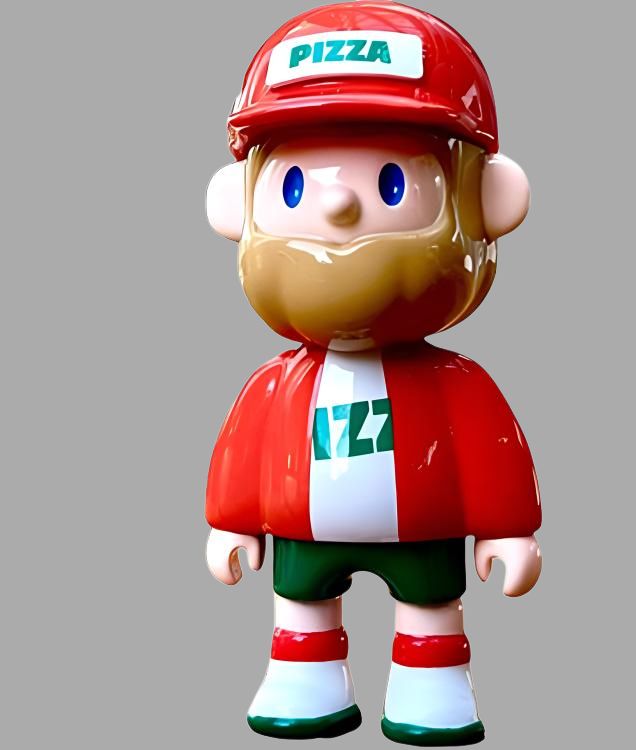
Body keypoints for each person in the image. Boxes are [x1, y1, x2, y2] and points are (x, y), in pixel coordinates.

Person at [204, 1, 542, 744]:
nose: (336, 204)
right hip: (304, 535)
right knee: (300, 607)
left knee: (430, 611)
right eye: (293, 188)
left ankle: (433, 685)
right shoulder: (277, 383)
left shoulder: (453, 384)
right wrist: (231, 521)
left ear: (488, 202)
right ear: (236, 208)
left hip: (421, 533)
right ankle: (303, 675)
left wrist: (506, 530)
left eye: (395, 185)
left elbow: (491, 452)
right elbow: (243, 449)